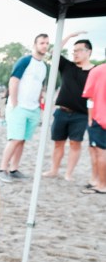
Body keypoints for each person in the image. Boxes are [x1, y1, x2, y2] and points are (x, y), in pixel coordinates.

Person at [42, 32, 94, 181]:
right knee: (58, 143)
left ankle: (69, 173)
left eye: (79, 50)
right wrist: (69, 36)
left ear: (88, 52)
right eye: (74, 50)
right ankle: (54, 170)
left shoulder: (95, 71)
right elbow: (54, 52)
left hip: (81, 115)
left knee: (75, 144)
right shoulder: (67, 66)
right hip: (62, 112)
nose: (75, 53)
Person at [0, 33, 49, 183]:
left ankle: (14, 169)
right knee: (15, 139)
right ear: (35, 45)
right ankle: (2, 169)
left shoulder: (43, 66)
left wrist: (40, 103)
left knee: (22, 140)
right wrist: (14, 102)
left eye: (47, 43)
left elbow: (40, 86)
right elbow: (14, 80)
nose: (45, 46)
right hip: (19, 106)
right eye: (42, 43)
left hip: (33, 108)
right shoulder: (26, 61)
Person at [81, 63, 106, 194]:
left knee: (99, 152)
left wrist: (90, 118)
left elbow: (90, 98)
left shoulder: (97, 71)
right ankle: (96, 180)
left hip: (100, 117)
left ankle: (102, 184)